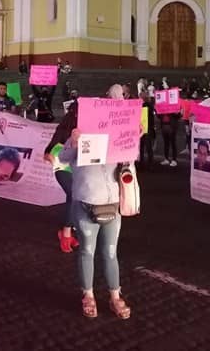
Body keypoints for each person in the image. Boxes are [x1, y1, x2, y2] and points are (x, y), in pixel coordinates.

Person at [58, 83, 131, 320]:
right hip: (86, 204)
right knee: (87, 252)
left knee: (111, 254)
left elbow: (130, 161)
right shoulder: (77, 137)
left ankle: (115, 296)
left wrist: (133, 136)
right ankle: (88, 294)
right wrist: (72, 141)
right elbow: (62, 157)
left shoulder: (115, 135)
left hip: (112, 205)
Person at [44, 100, 80, 253]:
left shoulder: (86, 128)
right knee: (73, 194)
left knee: (77, 197)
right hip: (62, 166)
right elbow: (48, 150)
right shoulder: (65, 128)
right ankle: (66, 233)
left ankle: (70, 231)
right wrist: (50, 157)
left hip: (77, 167)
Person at [139, 90, 156, 170]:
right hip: (144, 129)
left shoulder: (147, 106)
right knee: (143, 147)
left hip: (147, 129)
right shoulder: (148, 105)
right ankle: (145, 163)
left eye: (140, 97)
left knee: (147, 147)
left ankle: (149, 163)